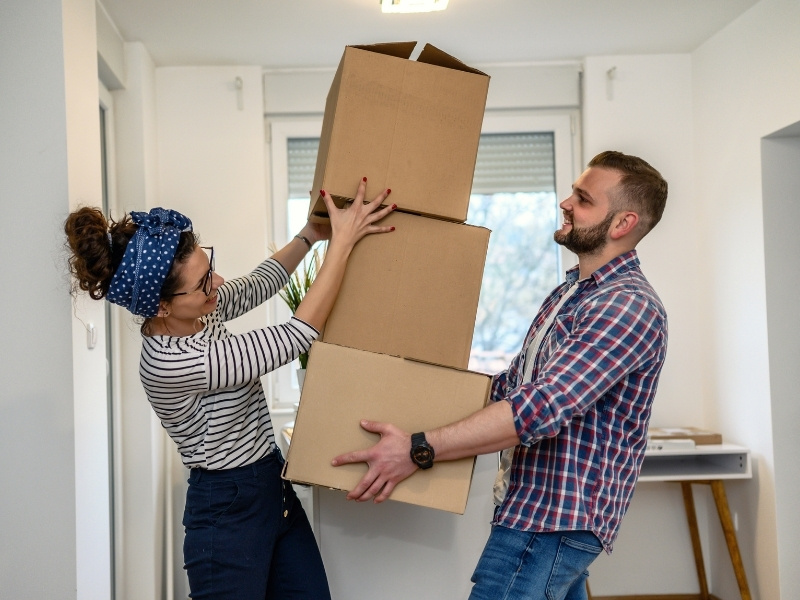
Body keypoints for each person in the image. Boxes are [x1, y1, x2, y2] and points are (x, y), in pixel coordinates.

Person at [331, 151, 669, 600]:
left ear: (623, 223)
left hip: (552, 520)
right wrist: (410, 386)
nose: (566, 203)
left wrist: (418, 448)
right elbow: (511, 387)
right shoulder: (572, 293)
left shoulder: (626, 304)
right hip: (534, 509)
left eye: (584, 199)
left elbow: (540, 407)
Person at [64, 178, 395, 600]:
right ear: (162, 306)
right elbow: (294, 337)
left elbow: (258, 283)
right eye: (203, 283)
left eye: (210, 268)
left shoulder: (200, 312)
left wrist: (310, 235)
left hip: (271, 483)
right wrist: (342, 244)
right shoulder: (171, 361)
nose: (217, 283)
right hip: (227, 508)